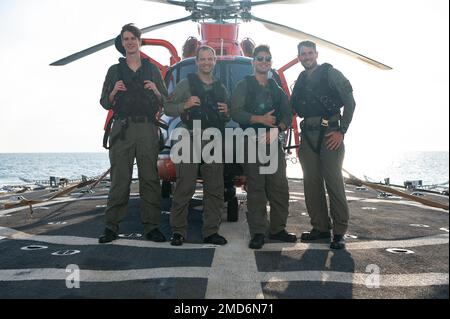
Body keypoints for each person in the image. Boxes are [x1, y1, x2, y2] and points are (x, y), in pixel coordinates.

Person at [98, 23, 168, 244]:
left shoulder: (152, 70)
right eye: (125, 39)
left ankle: (152, 226)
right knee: (120, 179)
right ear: (122, 42)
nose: (129, 42)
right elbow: (103, 102)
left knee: (150, 178)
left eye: (132, 38)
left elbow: (166, 101)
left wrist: (156, 90)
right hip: (123, 128)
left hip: (147, 127)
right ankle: (111, 227)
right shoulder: (114, 70)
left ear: (139, 41)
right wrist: (113, 92)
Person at [291, 41, 356, 249]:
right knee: (311, 184)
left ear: (316, 54)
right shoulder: (300, 80)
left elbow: (350, 102)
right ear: (299, 57)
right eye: (303, 54)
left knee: (334, 183)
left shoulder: (331, 73)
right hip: (308, 136)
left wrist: (341, 131)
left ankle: (339, 232)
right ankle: (320, 227)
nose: (307, 57)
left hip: (330, 134)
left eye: (310, 53)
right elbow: (291, 107)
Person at [231, 45, 297, 249]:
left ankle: (278, 229)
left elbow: (287, 113)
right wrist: (259, 118)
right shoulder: (244, 85)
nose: (264, 62)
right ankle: (258, 232)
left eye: (267, 59)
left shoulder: (275, 88)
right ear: (253, 62)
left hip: (272, 142)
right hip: (251, 140)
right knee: (256, 187)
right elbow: (235, 111)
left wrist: (279, 129)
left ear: (271, 62)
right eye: (260, 58)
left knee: (279, 186)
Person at [165, 45, 229, 246]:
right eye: (203, 59)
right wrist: (185, 105)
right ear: (197, 62)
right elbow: (167, 107)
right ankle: (178, 231)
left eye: (210, 59)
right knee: (185, 185)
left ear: (214, 61)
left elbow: (227, 117)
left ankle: (211, 231)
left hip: (213, 139)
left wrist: (227, 112)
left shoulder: (221, 88)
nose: (207, 62)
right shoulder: (186, 85)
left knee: (215, 188)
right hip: (189, 136)